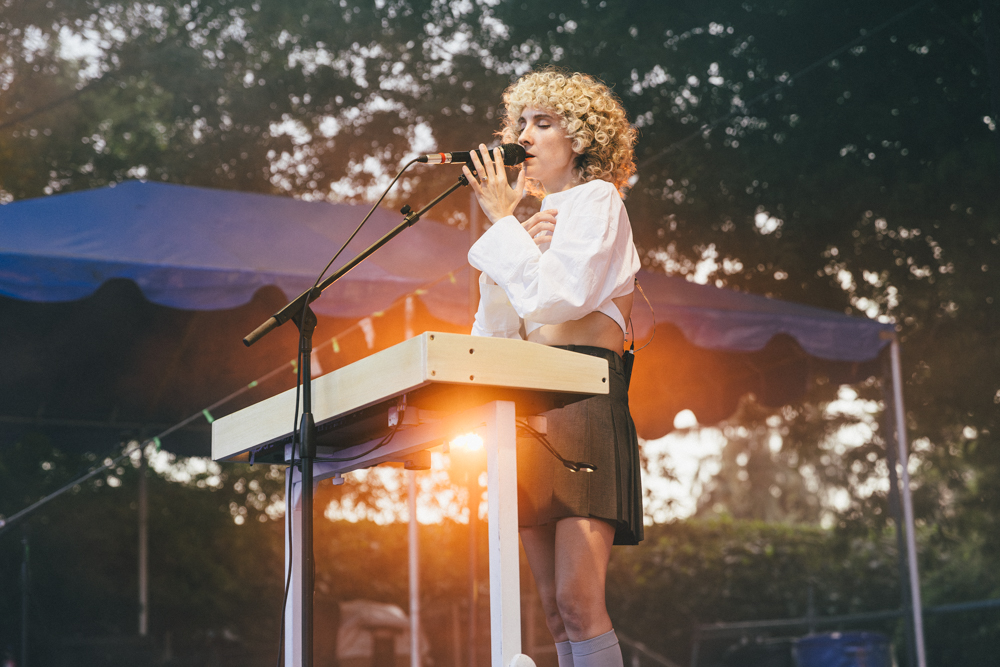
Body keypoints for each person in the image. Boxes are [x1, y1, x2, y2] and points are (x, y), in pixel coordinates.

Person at [463, 68, 642, 667]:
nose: (526, 135)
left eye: (544, 122)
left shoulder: (597, 200)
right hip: (529, 407)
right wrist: (510, 237)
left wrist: (505, 229)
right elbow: (493, 335)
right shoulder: (529, 224)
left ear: (581, 139)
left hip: (582, 394)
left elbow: (560, 298)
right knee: (550, 607)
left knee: (577, 597)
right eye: (521, 122)